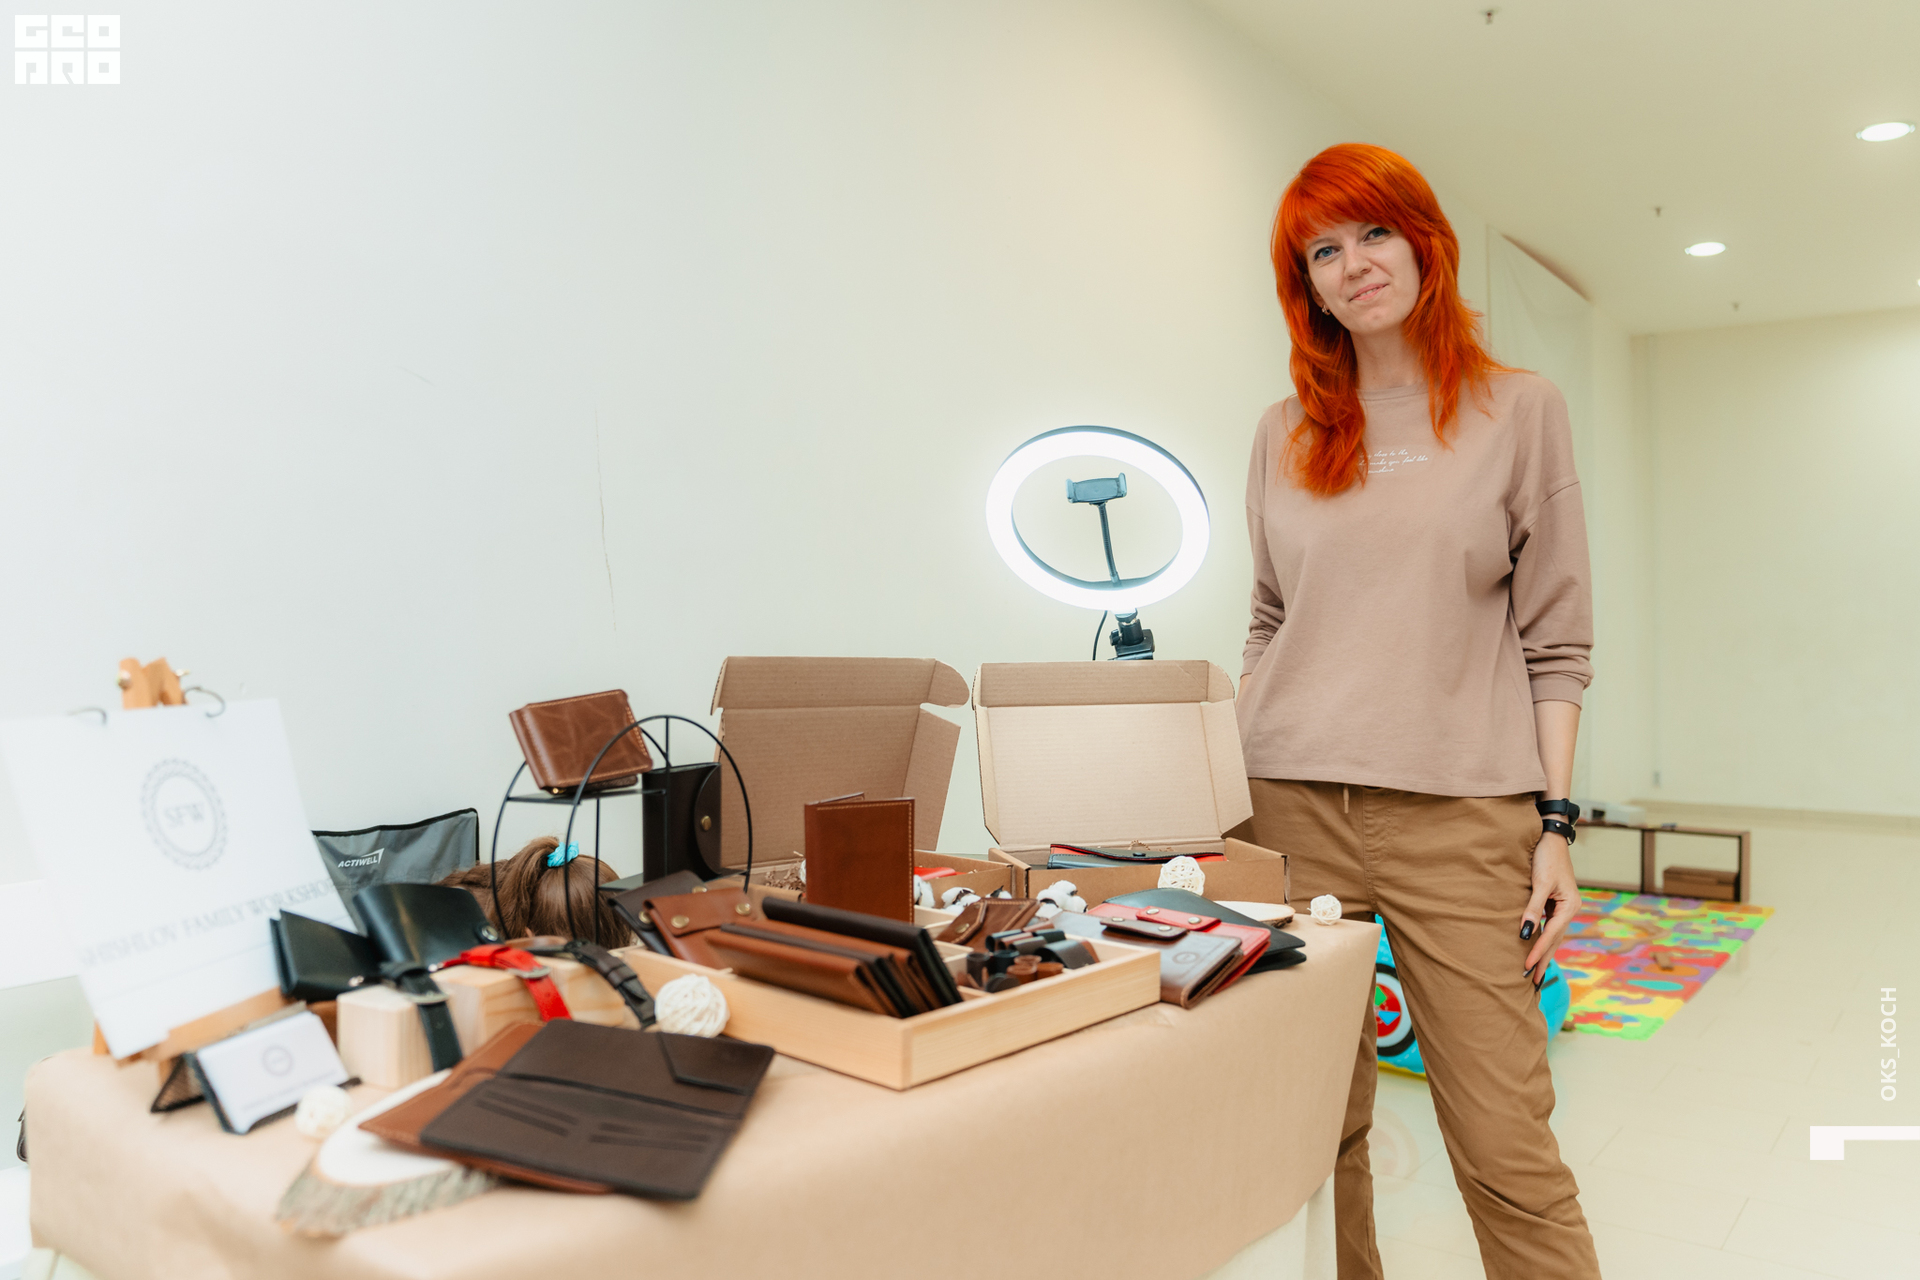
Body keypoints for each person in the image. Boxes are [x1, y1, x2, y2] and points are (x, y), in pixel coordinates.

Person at [1237, 142, 1602, 1279]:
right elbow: (1268, 617)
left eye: (1374, 233)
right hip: (1287, 809)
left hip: (1463, 818)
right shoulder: (1284, 431)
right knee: (1312, 1132)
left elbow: (1557, 642)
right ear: (1307, 287)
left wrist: (1555, 824)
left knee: (1504, 1142)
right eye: (1322, 251)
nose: (1354, 265)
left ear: (1425, 242)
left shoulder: (1519, 410)